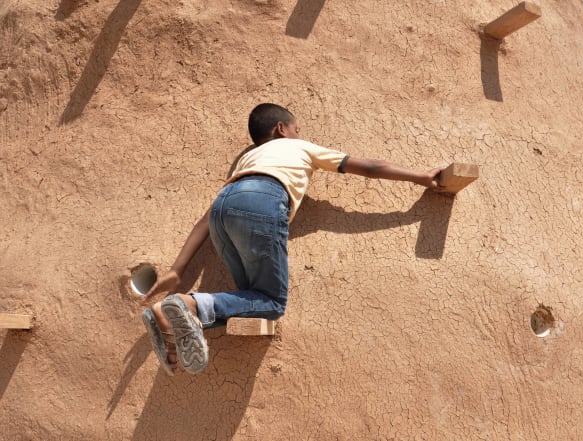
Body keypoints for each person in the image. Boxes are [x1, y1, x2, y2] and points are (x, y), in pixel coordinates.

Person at [141, 103, 448, 375]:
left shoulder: (247, 161)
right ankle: (187, 304)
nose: (299, 133)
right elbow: (369, 167)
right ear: (282, 129)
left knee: (252, 299)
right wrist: (419, 175)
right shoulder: (300, 147)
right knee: (272, 302)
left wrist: (177, 269)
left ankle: (167, 321)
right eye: (297, 129)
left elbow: (207, 217)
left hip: (223, 209)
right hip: (263, 200)